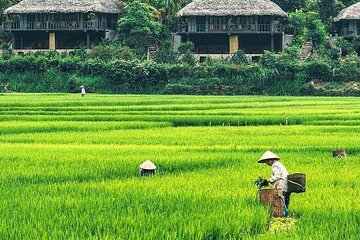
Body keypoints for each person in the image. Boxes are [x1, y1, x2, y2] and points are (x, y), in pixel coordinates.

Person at [258, 150, 290, 216]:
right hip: (286, 185)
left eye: (267, 161)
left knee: (281, 201)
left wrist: (268, 180)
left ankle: (283, 215)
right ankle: (285, 215)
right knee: (285, 201)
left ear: (271, 160)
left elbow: (277, 176)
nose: (266, 163)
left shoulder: (275, 165)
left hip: (282, 185)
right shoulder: (278, 164)